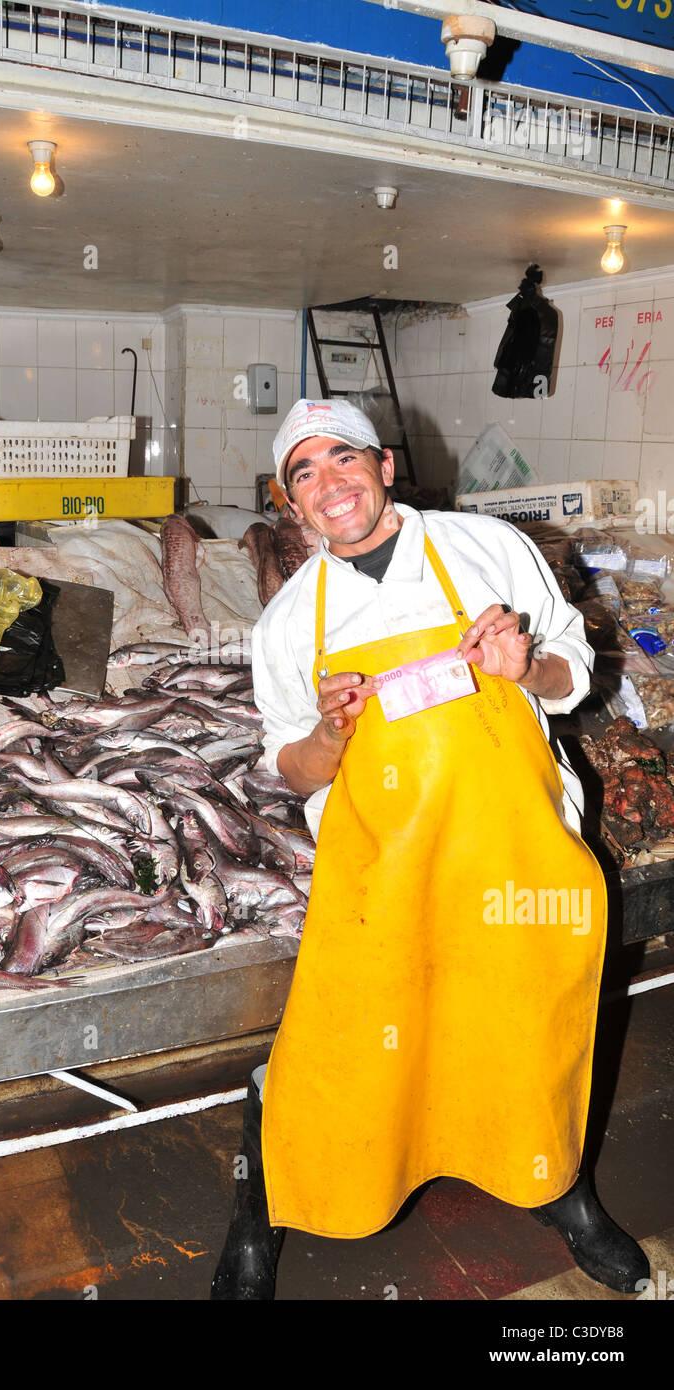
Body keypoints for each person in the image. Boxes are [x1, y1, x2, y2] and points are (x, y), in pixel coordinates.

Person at [211, 398, 650, 1301]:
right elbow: (289, 768)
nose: (328, 484)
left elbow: (573, 674)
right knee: (334, 1048)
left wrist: (524, 667)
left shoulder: (484, 550)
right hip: (381, 871)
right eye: (304, 473)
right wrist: (329, 737)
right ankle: (267, 1214)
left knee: (531, 1025)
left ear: (382, 465)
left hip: (512, 848)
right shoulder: (290, 622)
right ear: (288, 501)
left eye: (343, 460)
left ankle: (558, 1189)